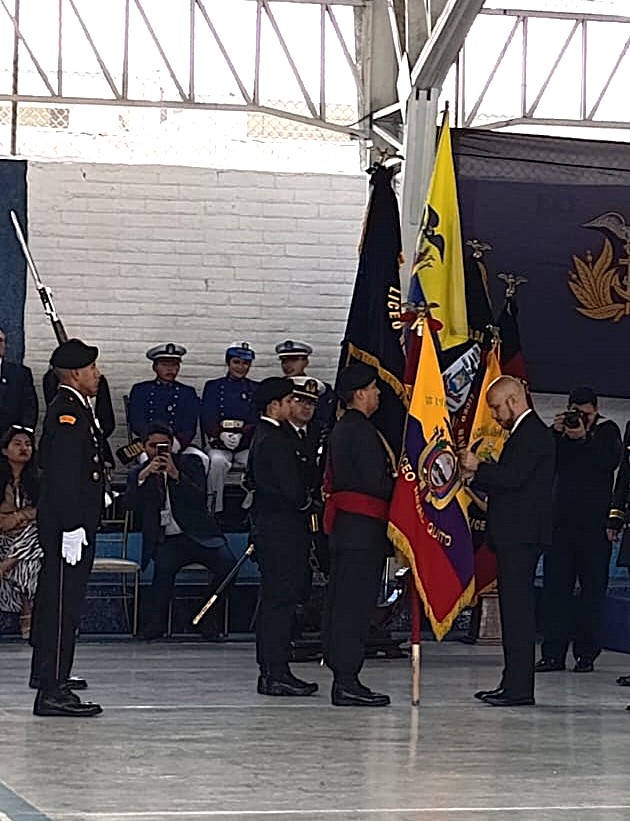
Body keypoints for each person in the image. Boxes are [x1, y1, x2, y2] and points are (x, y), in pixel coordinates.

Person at [460, 376, 555, 707]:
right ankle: (510, 682)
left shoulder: (534, 434)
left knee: (517, 615)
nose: (495, 415)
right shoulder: (522, 433)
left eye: (497, 407)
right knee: (512, 614)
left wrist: (479, 467)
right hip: (514, 536)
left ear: (514, 400)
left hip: (522, 537)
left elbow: (514, 479)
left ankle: (519, 688)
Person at [30, 338, 105, 717]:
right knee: (62, 607)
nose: (97, 374)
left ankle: (51, 675)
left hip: (73, 524)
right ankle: (52, 691)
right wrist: (73, 526)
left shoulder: (77, 408)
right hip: (67, 529)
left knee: (61, 603)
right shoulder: (66, 413)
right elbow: (63, 476)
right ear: (75, 373)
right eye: (92, 368)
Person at [322, 363, 394, 707]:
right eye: (374, 388)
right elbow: (374, 481)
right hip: (361, 532)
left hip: (349, 530)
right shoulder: (360, 431)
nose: (378, 393)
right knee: (353, 607)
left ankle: (345, 675)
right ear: (361, 393)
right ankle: (347, 679)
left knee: (344, 604)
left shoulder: (345, 427)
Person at [536, 387, 621, 674]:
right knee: (555, 591)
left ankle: (586, 654)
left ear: (595, 410)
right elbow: (545, 463)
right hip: (560, 524)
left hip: (594, 526)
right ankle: (552, 654)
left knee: (591, 593)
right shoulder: (560, 434)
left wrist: (584, 438)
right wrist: (555, 432)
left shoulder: (607, 432)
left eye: (584, 414)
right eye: (575, 413)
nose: (578, 419)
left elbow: (608, 464)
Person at [126, 424, 236, 640]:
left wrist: (175, 475)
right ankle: (155, 625)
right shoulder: (138, 474)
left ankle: (205, 615)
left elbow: (200, 498)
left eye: (164, 446)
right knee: (163, 571)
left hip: (200, 535)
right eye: (153, 446)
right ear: (144, 447)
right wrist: (144, 476)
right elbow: (129, 504)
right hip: (168, 539)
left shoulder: (190, 464)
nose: (159, 451)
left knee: (228, 565)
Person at [247, 377, 318, 697]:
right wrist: (307, 503)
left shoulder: (274, 435)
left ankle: (275, 670)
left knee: (280, 600)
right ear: (274, 405)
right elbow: (291, 488)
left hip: (277, 528)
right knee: (279, 601)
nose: (294, 405)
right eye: (289, 400)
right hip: (281, 529)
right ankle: (275, 671)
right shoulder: (273, 439)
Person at [201, 342, 258, 514]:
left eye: (245, 363)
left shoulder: (255, 388)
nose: (241, 367)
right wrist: (220, 434)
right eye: (236, 362)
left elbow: (256, 418)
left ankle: (251, 503)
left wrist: (243, 435)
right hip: (219, 444)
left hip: (245, 445)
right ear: (228, 363)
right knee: (217, 463)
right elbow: (207, 415)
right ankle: (214, 508)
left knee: (258, 462)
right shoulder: (213, 387)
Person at [0, 426, 42, 639]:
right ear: (4, 450)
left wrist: (18, 517)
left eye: (28, 444)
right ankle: (28, 611)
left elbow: (45, 509)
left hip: (29, 538)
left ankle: (5, 566)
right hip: (4, 539)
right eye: (17, 444)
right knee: (30, 557)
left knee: (38, 533)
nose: (24, 448)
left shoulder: (40, 479)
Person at [128, 343, 199, 450]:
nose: (170, 369)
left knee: (201, 458)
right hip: (147, 444)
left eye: (174, 365)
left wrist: (175, 443)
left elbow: (189, 427)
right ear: (154, 367)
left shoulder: (187, 393)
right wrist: (154, 441)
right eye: (164, 365)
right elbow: (136, 423)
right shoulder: (141, 391)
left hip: (178, 444)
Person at [275, 340, 336, 427]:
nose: (288, 365)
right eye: (284, 360)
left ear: (306, 362)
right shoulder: (274, 388)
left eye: (294, 360)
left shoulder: (319, 389)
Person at [0, 326, 38, 435]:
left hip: (10, 438)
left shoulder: (20, 374)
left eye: (1, 340)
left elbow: (29, 408)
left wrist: (23, 434)